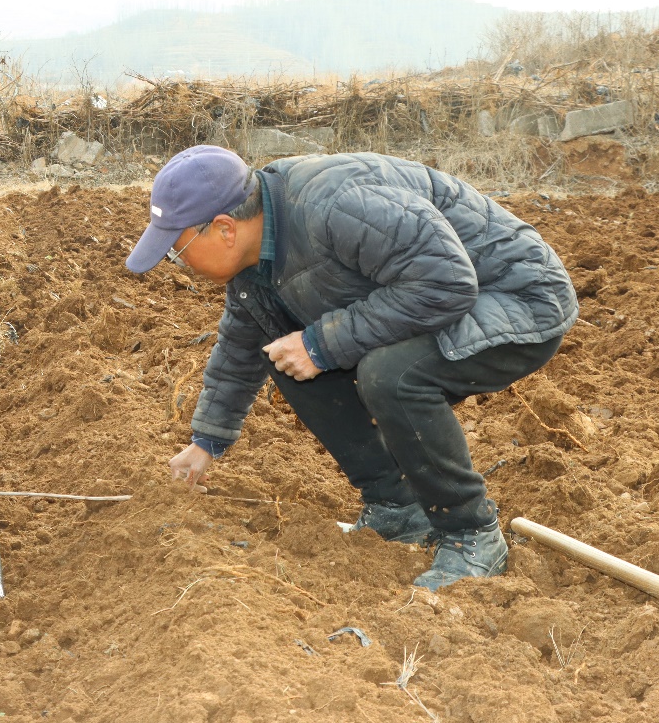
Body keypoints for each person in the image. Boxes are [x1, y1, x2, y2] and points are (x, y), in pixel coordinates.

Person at [126, 146, 578, 590]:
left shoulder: (335, 205)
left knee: (391, 374)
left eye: (177, 249)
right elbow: (240, 349)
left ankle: (471, 532)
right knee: (288, 356)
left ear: (224, 228)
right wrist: (206, 442)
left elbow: (447, 281)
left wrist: (320, 344)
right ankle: (397, 509)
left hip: (517, 296)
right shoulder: (256, 255)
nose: (179, 264)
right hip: (434, 296)